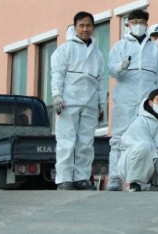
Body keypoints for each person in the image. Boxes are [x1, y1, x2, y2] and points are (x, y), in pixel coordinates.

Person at [105, 9, 158, 191]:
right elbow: (112, 70)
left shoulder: (154, 49)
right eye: (135, 22)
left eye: (142, 22)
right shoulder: (120, 46)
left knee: (147, 139)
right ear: (128, 24)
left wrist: (155, 101)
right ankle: (115, 178)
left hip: (147, 103)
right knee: (118, 139)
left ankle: (142, 179)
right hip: (125, 101)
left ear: (147, 25)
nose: (138, 25)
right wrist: (121, 66)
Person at [50, 11, 108, 190]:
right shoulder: (65, 50)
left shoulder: (97, 54)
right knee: (66, 141)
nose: (85, 29)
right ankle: (64, 179)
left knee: (86, 143)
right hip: (69, 103)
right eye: (81, 25)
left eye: (88, 25)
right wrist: (57, 95)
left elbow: (101, 81)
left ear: (93, 28)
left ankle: (81, 178)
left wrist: (101, 104)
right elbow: (57, 74)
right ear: (75, 27)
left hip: (90, 103)